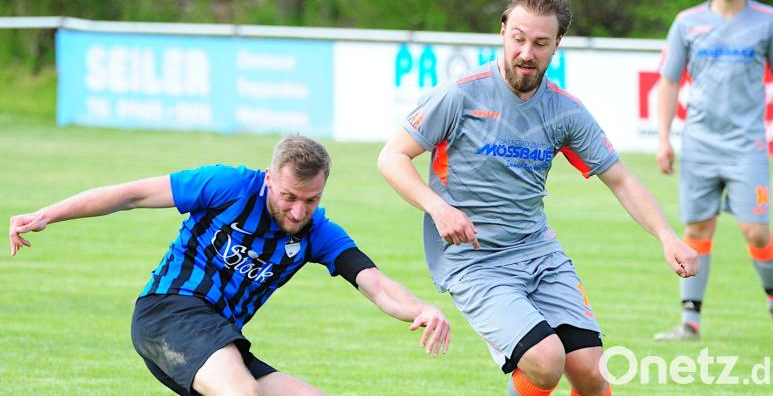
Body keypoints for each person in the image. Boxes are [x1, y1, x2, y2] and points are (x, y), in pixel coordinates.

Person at [377, 0, 698, 396]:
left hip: (538, 253)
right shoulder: (461, 94)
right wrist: (438, 208)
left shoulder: (565, 111)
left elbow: (620, 179)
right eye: (519, 38)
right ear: (503, 32)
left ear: (557, 44)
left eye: (540, 43)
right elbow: (391, 157)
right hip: (475, 261)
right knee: (546, 361)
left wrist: (667, 236)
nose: (527, 53)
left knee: (592, 374)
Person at [9, 135, 450, 396]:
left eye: (311, 200)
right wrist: (49, 213)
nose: (299, 212)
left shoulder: (319, 232)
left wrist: (421, 310)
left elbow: (374, 282)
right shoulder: (228, 185)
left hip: (221, 339)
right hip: (169, 312)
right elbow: (132, 194)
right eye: (289, 197)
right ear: (269, 178)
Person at [653, 0, 773, 345]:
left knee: (755, 230)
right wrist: (664, 138)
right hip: (698, 145)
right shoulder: (687, 22)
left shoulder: (770, 21)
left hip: (747, 147)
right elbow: (669, 80)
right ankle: (689, 322)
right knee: (698, 227)